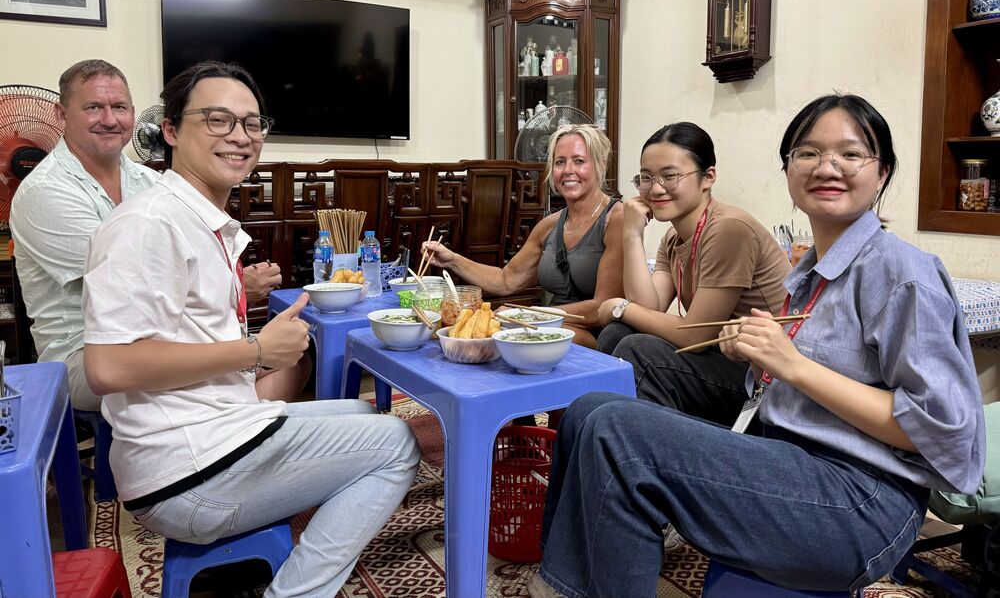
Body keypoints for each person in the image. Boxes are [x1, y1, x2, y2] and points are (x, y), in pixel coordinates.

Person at [526, 94, 986, 598]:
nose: (826, 166)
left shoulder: (902, 274)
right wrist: (750, 353)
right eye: (807, 153)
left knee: (617, 431)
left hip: (861, 501)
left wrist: (792, 365)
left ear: (882, 173)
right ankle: (568, 577)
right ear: (788, 170)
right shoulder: (813, 271)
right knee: (588, 410)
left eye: (851, 154)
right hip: (790, 454)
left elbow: (949, 439)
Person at [82, 61, 419, 597]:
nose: (239, 137)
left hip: (202, 438)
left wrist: (259, 353)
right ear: (170, 131)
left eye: (252, 123)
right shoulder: (147, 223)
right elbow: (108, 367)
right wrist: (257, 349)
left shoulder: (197, 220)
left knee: (363, 409)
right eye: (217, 120)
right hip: (185, 472)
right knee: (399, 442)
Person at [10, 59, 284, 411]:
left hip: (172, 333)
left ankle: (237, 432)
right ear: (62, 115)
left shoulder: (149, 179)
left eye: (119, 107)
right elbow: (124, 288)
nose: (110, 119)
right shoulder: (45, 192)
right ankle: (223, 440)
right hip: (89, 353)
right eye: (94, 107)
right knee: (247, 363)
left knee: (291, 356)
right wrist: (236, 286)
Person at [595, 122, 790, 426]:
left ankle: (656, 451)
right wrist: (631, 234)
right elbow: (650, 306)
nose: (656, 188)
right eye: (646, 177)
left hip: (764, 377)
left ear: (707, 177)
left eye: (670, 176)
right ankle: (612, 436)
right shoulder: (673, 239)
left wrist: (621, 307)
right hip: (723, 360)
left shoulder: (729, 229)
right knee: (616, 334)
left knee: (640, 351)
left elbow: (697, 334)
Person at [422, 123, 624, 349]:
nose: (568, 170)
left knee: (508, 334)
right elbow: (506, 280)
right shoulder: (550, 225)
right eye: (560, 162)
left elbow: (602, 308)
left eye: (579, 161)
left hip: (599, 335)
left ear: (600, 165)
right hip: (551, 325)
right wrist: (451, 259)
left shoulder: (616, 219)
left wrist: (529, 314)